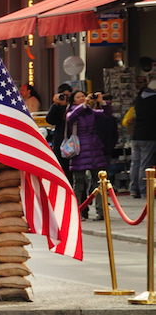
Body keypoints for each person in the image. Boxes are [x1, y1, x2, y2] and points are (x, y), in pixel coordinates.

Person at [66, 90, 113, 221]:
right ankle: (77, 212)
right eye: (78, 97)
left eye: (83, 96)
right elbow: (70, 117)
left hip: (94, 149)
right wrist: (84, 105)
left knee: (98, 182)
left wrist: (102, 102)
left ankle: (101, 211)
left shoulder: (90, 112)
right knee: (79, 183)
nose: (81, 99)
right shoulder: (73, 111)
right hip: (79, 150)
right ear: (73, 100)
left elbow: (107, 115)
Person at [128, 80, 156, 199]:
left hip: (136, 135)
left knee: (135, 163)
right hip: (148, 135)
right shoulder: (154, 100)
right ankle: (144, 190)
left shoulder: (139, 98)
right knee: (145, 164)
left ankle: (134, 189)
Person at [46, 83, 73, 178]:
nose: (64, 98)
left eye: (67, 95)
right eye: (62, 95)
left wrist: (65, 105)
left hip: (73, 140)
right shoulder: (58, 106)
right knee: (62, 167)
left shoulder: (73, 107)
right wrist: (56, 105)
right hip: (60, 141)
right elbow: (50, 120)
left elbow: (68, 117)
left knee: (73, 170)